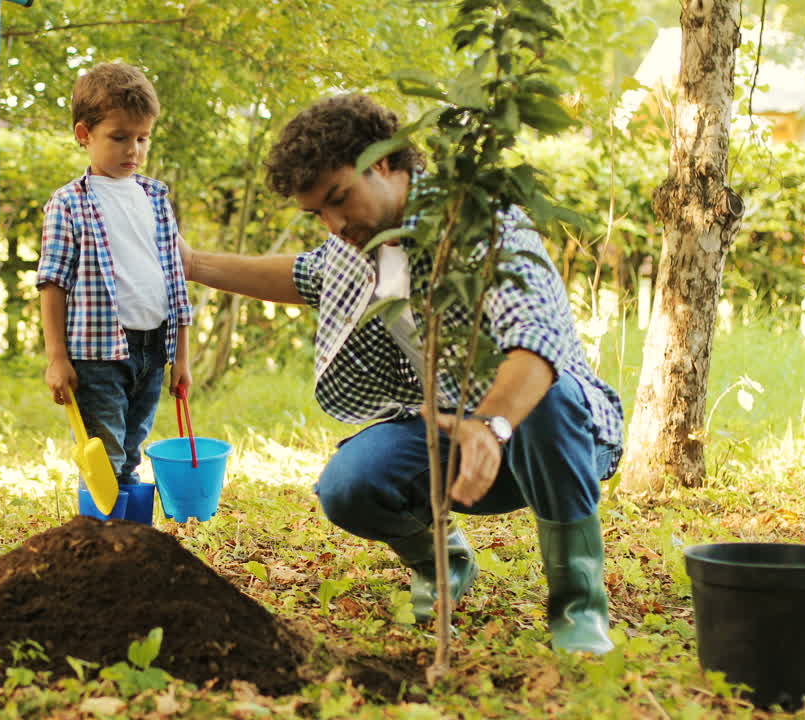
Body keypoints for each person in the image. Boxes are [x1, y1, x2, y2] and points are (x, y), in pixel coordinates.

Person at [180, 94, 624, 654]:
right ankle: (443, 562)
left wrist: (492, 426)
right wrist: (192, 264)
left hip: (543, 440)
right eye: (318, 213)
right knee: (349, 486)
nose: (334, 224)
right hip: (446, 438)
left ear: (386, 161)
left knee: (549, 396)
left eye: (340, 198)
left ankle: (578, 607)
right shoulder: (356, 241)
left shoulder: (480, 222)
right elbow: (303, 275)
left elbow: (536, 344)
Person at [37, 62, 193, 501]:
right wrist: (56, 358)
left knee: (131, 452)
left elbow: (176, 283)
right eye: (120, 137)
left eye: (142, 138)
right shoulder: (68, 203)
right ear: (84, 134)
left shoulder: (156, 198)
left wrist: (180, 357)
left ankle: (125, 548)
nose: (134, 150)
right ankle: (98, 546)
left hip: (152, 349)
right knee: (104, 458)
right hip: (97, 353)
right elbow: (53, 283)